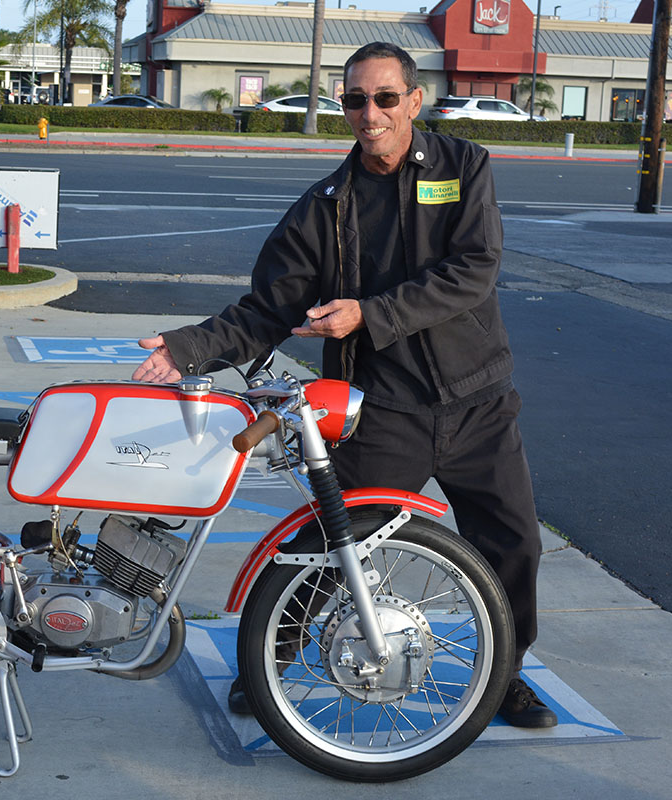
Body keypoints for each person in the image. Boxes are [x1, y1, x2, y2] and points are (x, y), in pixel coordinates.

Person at [131, 41, 555, 728]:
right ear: (343, 107)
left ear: (414, 101)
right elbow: (269, 307)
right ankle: (271, 661)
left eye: (386, 97)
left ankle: (505, 676)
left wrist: (370, 314)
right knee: (330, 546)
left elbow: (474, 269)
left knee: (514, 547)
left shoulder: (463, 167)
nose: (371, 112)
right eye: (356, 99)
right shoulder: (326, 207)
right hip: (385, 409)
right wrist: (188, 348)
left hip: (478, 403)